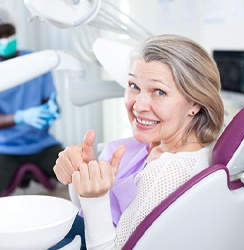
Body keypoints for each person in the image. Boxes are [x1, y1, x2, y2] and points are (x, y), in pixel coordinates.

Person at [53, 34, 224, 249]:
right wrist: (82, 176)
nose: (139, 104)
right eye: (133, 85)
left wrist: (94, 198)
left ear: (195, 103)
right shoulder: (155, 145)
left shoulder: (169, 172)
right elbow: (86, 212)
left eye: (159, 92)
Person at [0, 6, 63, 196]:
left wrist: (52, 110)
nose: (4, 39)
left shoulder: (37, 62)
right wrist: (20, 117)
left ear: (15, 31)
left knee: (75, 172)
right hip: (5, 148)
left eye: (8, 32)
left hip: (42, 144)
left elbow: (49, 102)